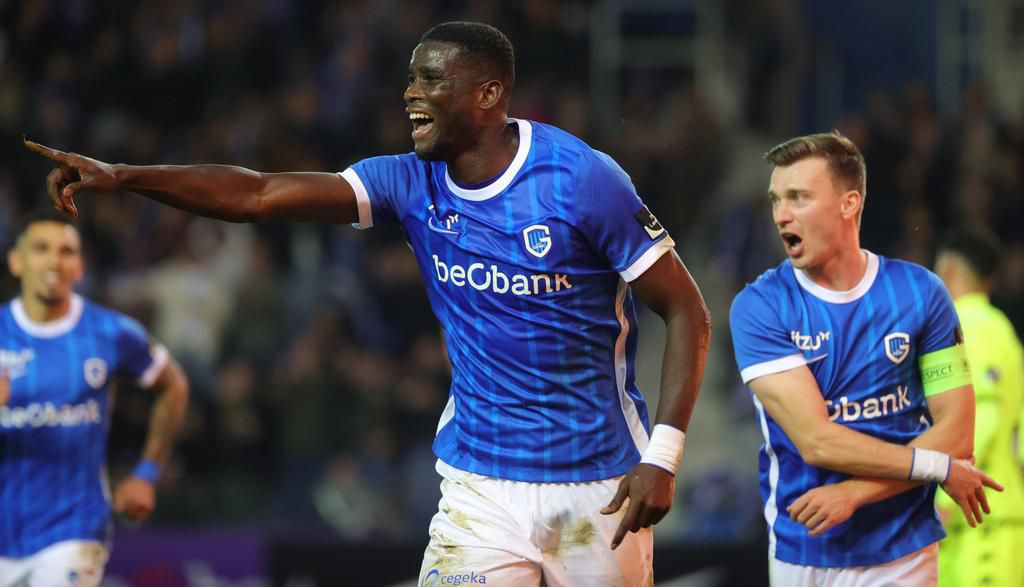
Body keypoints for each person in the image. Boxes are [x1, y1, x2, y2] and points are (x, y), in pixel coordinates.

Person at [25, 21, 711, 586]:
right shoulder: (409, 183)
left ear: (489, 93)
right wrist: (126, 176)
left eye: (432, 79)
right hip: (480, 486)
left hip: (596, 486)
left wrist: (665, 457)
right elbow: (259, 194)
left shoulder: (580, 180)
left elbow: (686, 311)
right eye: (411, 77)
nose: (411, 93)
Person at [728, 131, 1002, 586]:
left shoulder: (921, 294)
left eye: (798, 197)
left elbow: (956, 433)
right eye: (776, 199)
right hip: (806, 550)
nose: (781, 215)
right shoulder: (760, 306)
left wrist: (855, 493)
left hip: (905, 551)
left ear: (848, 203)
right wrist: (938, 468)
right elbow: (819, 442)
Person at [0, 210, 189, 587]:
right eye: (41, 249)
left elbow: (174, 386)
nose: (55, 260)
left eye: (66, 251)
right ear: (16, 262)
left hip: (73, 529)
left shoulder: (110, 333)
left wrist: (146, 473)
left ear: (80, 267)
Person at [933, 230, 1024, 587]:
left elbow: (983, 417)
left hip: (983, 527)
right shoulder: (1001, 329)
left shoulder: (974, 325)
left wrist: (944, 497)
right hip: (983, 524)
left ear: (950, 272)